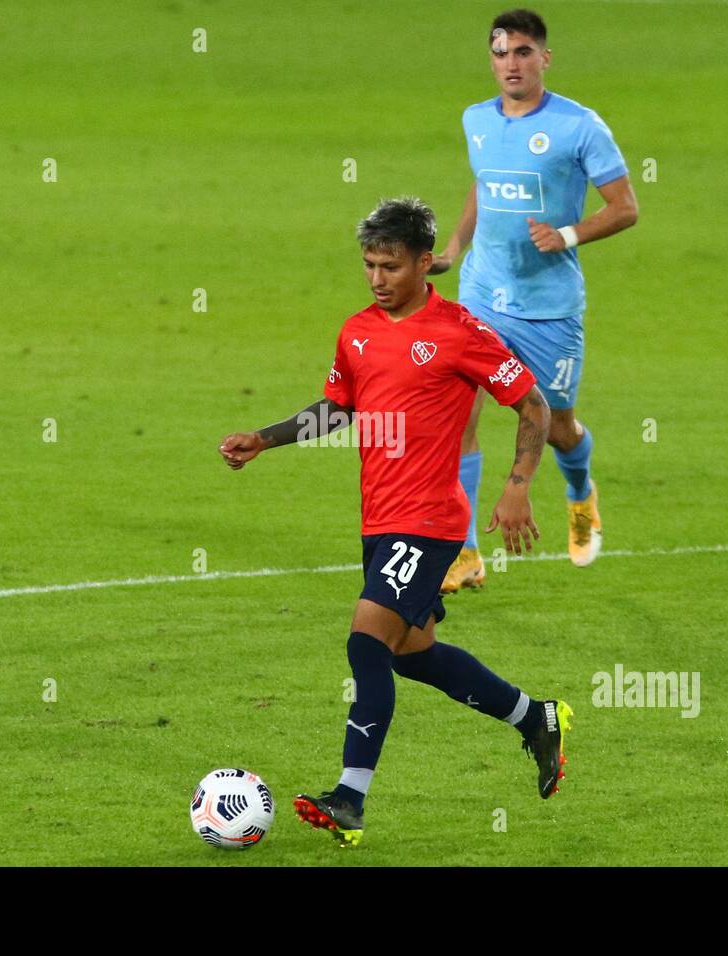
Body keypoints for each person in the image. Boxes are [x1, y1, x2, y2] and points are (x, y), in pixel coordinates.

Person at [219, 197, 572, 847]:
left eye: (389, 266)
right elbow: (338, 407)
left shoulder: (458, 331)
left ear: (422, 262)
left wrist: (518, 486)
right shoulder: (355, 331)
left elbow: (531, 403)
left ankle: (350, 799)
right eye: (368, 265)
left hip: (430, 521)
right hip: (380, 518)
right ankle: (534, 718)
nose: (378, 278)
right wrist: (265, 439)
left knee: (366, 642)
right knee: (413, 655)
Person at [431, 7, 639, 592]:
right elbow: (483, 183)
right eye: (500, 53)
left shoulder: (579, 126)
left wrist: (567, 235)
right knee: (459, 413)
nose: (511, 64)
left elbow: (625, 207)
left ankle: (580, 490)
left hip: (547, 306)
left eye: (523, 52)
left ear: (544, 58)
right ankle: (467, 551)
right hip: (481, 294)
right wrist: (453, 247)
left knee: (555, 425)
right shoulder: (476, 119)